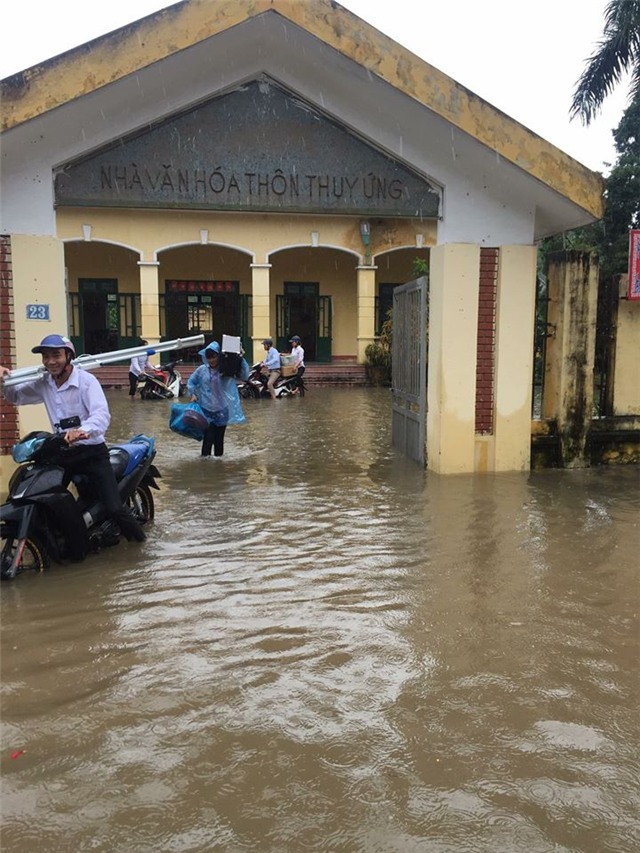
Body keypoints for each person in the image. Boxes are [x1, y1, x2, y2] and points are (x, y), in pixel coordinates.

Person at [0, 334, 146, 541]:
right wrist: (5, 381)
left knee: (114, 507)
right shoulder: (45, 383)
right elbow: (17, 396)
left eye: (56, 355)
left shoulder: (87, 382)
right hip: (64, 453)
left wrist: (83, 430)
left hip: (92, 453)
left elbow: (101, 415)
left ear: (68, 356)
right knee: (48, 494)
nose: (50, 361)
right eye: (46, 357)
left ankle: (140, 547)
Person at [187, 341, 250, 458]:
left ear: (219, 356)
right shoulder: (201, 370)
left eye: (214, 357)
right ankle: (205, 465)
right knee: (208, 439)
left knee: (219, 440)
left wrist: (241, 359)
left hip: (222, 410)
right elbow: (191, 382)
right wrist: (193, 394)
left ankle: (218, 465)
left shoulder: (226, 370)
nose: (211, 360)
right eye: (209, 357)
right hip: (206, 409)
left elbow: (244, 376)